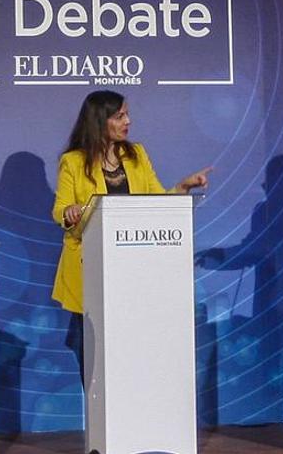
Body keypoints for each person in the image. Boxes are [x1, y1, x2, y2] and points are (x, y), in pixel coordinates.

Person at [50, 90, 212, 376]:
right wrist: (70, 212)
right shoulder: (73, 161)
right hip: (90, 269)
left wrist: (183, 188)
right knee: (94, 356)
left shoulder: (136, 155)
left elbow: (157, 201)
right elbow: (59, 209)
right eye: (120, 116)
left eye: (127, 114)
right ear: (100, 121)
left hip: (135, 271)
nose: (128, 121)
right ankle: (99, 412)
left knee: (131, 353)